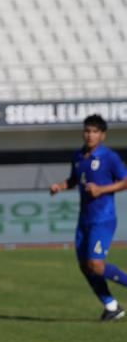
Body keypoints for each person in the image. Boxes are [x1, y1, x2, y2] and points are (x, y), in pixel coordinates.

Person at [49, 114, 127, 321]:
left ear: (103, 135)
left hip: (103, 218)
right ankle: (111, 306)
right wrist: (60, 186)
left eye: (94, 131)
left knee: (96, 264)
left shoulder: (109, 157)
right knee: (85, 266)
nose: (90, 135)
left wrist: (102, 190)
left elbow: (125, 181)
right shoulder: (78, 156)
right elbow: (74, 180)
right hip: (84, 220)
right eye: (87, 131)